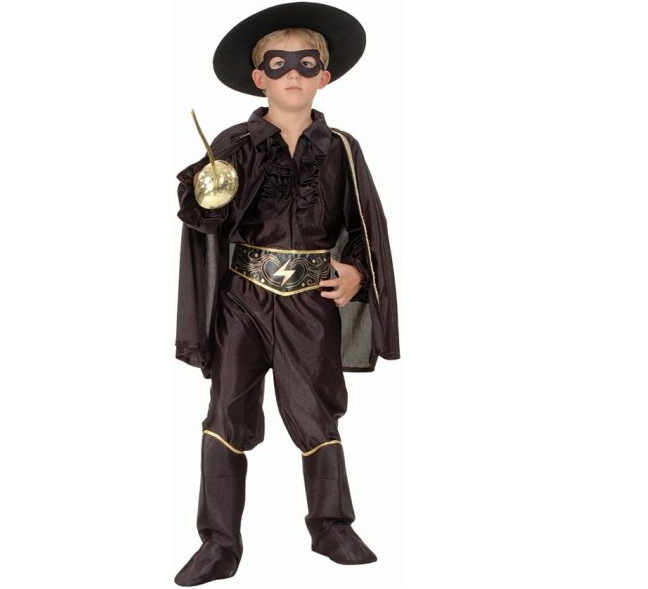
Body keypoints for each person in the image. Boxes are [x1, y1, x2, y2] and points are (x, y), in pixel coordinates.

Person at [173, 2, 400, 586]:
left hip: (311, 302)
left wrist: (356, 273)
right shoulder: (236, 143)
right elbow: (202, 216)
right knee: (226, 411)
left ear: (325, 75)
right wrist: (205, 192)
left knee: (315, 410)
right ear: (260, 77)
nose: (292, 73)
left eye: (306, 63)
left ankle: (331, 527)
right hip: (242, 302)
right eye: (278, 64)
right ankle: (218, 543)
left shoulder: (342, 148)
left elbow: (365, 225)